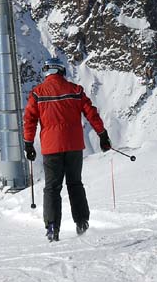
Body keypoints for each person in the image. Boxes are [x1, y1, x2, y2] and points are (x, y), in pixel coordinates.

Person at [23, 58, 111, 242]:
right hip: (74, 146)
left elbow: (29, 120)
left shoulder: (37, 93)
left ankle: (53, 228)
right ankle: (82, 223)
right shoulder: (75, 90)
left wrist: (28, 144)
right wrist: (102, 134)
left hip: (51, 147)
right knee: (75, 184)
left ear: (47, 72)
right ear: (62, 71)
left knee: (52, 188)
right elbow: (91, 113)